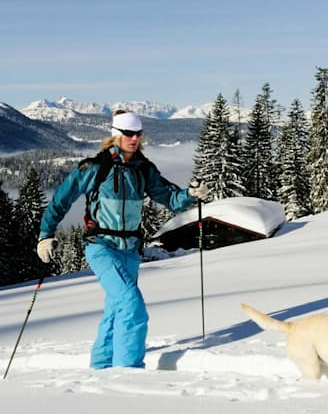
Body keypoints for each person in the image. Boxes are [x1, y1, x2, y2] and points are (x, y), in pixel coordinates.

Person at [36, 110, 209, 369]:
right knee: (132, 305)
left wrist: (191, 194)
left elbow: (170, 197)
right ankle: (129, 373)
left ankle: (102, 368)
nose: (135, 138)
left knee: (117, 309)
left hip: (129, 250)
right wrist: (45, 236)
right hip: (101, 247)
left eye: (138, 133)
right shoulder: (95, 167)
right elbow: (61, 199)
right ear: (116, 135)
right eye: (129, 133)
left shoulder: (143, 169)